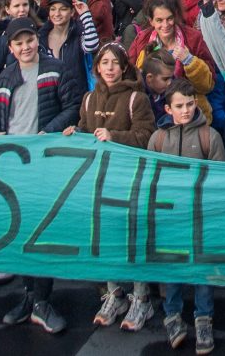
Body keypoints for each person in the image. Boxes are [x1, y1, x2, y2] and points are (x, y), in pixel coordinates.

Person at [67, 43, 154, 330]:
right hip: (98, 178)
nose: (109, 67)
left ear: (124, 67)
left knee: (133, 237)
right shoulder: (89, 98)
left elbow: (146, 137)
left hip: (128, 178)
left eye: (115, 62)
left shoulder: (136, 99)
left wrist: (113, 135)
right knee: (105, 238)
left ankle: (141, 298)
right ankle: (114, 293)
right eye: (104, 62)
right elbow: (85, 127)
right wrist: (75, 132)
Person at [151, 79, 225, 355]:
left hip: (201, 215)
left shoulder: (210, 136)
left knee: (201, 268)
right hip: (171, 215)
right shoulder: (158, 138)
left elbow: (220, 177)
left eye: (190, 104)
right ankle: (172, 315)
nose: (186, 110)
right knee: (172, 266)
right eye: (180, 106)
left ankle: (203, 318)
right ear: (168, 109)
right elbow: (151, 177)